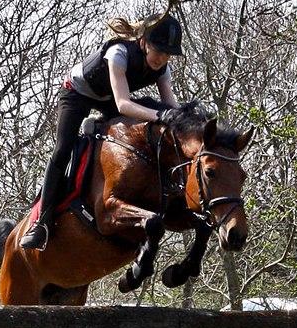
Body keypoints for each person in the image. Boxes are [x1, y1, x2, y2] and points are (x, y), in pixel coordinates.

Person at [20, 13, 184, 250]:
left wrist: (185, 120)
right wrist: (161, 115)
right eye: (159, 50)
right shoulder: (119, 53)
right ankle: (41, 222)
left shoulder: (163, 68)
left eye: (168, 53)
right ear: (144, 42)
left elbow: (171, 106)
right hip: (77, 93)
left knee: (153, 118)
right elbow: (123, 105)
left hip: (106, 99)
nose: (162, 58)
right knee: (63, 149)